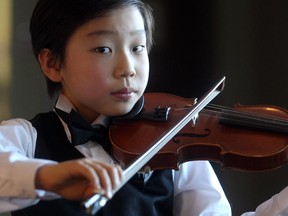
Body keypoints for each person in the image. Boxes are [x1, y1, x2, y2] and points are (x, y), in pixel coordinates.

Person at [0, 0, 232, 215]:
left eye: (137, 47)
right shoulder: (25, 138)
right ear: (52, 63)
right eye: (103, 49)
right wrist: (46, 177)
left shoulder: (174, 146)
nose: (127, 68)